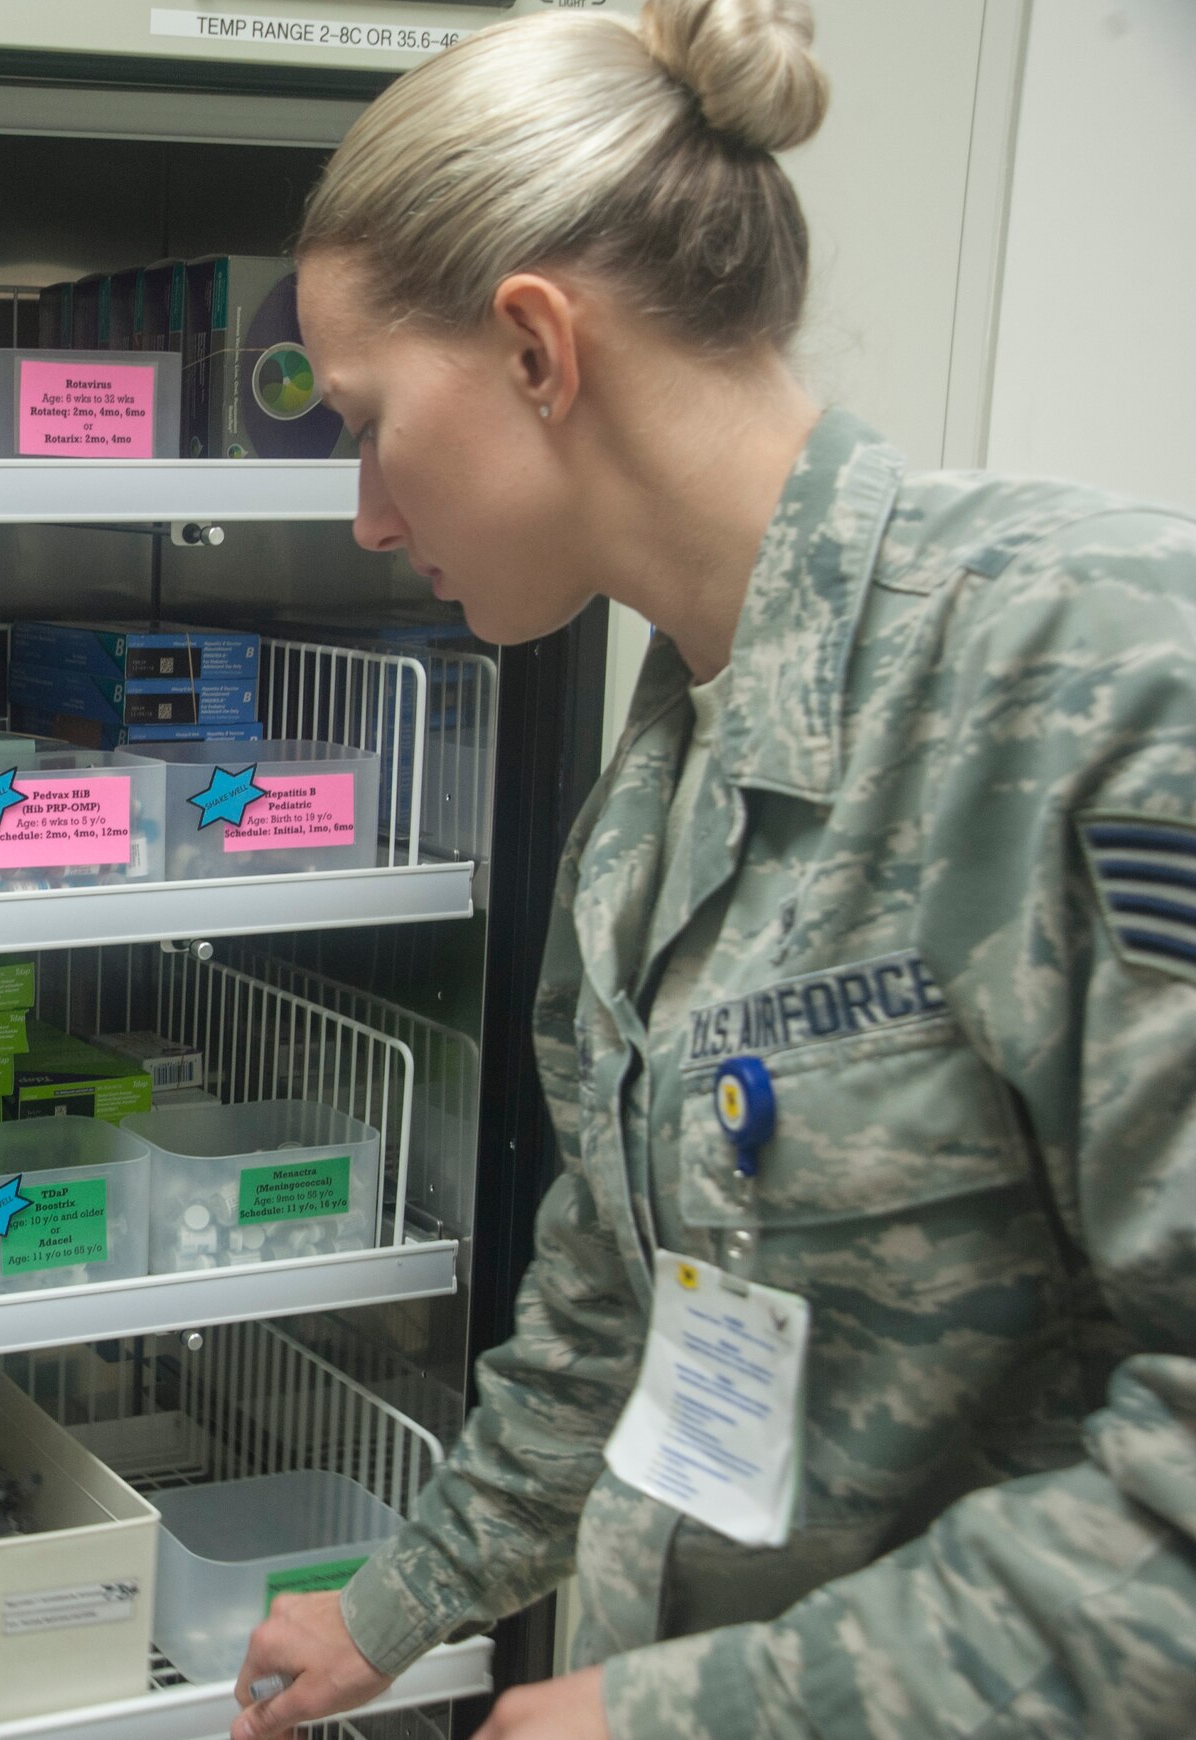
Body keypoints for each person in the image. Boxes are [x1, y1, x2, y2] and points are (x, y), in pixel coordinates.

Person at [229, 1, 1196, 1736]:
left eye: (373, 420)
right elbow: (623, 1297)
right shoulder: (664, 771)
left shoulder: (1105, 677)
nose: (370, 512)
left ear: (537, 347)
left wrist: (681, 1715)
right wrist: (406, 1600)